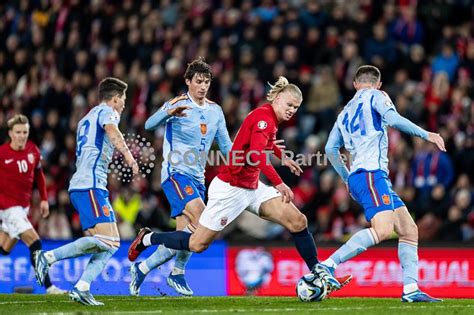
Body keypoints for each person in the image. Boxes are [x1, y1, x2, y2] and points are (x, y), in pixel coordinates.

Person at [129, 76, 352, 293]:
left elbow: (265, 142)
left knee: (298, 221)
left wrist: (281, 155)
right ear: (276, 100)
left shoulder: (269, 118)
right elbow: (255, 154)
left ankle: (318, 271)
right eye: (289, 104)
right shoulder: (264, 118)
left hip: (252, 187)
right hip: (230, 189)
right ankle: (148, 238)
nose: (292, 109)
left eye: (296, 107)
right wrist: (279, 182)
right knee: (197, 244)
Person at [313, 65, 443, 302]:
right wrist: (427, 134)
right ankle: (328, 265)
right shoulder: (377, 96)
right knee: (383, 230)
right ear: (379, 84)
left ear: (355, 84)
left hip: (363, 176)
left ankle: (411, 290)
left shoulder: (344, 111)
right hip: (372, 174)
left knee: (408, 229)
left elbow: (330, 149)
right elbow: (392, 119)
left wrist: (346, 178)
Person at [128, 57, 233, 296]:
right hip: (175, 174)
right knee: (204, 219)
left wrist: (245, 162)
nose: (203, 86)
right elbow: (148, 123)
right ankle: (171, 266)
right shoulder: (178, 104)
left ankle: (142, 268)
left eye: (207, 81)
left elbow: (226, 147)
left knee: (185, 236)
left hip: (198, 178)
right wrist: (168, 112)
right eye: (198, 81)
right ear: (188, 81)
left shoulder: (216, 111)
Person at [33, 77, 139, 306]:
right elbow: (112, 132)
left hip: (89, 184)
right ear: (114, 99)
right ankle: (48, 257)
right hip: (89, 184)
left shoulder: (85, 119)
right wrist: (129, 157)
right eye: (123, 100)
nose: (124, 105)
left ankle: (82, 287)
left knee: (109, 243)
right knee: (108, 240)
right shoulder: (108, 112)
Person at [0, 114, 65, 294]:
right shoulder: (2, 154)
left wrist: (44, 199)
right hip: (8, 209)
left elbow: (39, 176)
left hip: (23, 208)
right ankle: (50, 287)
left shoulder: (33, 151)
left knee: (4, 249)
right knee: (35, 242)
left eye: (25, 132)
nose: (22, 136)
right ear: (10, 133)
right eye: (18, 132)